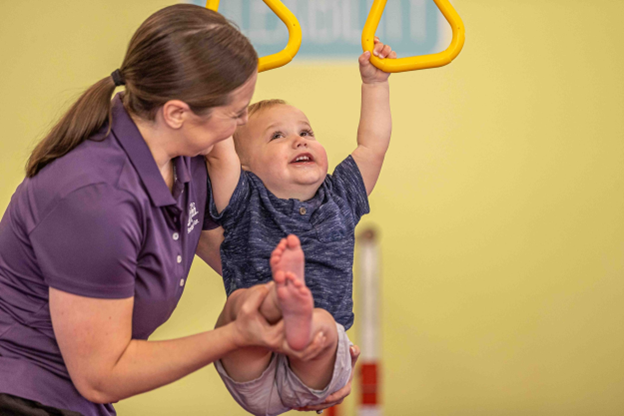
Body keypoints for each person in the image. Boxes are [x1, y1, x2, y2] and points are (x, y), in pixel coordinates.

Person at [0, 5, 356, 416]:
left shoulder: (188, 159)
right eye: (235, 112)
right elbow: (100, 376)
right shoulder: (95, 199)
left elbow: (239, 256)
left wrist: (320, 343)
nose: (243, 122)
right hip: (24, 394)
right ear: (176, 113)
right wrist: (236, 336)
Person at [204, 38, 395, 415]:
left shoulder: (340, 195)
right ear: (243, 163)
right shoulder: (242, 196)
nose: (298, 140)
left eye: (305, 133)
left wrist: (375, 85)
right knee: (243, 306)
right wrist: (222, 88)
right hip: (253, 361)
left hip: (314, 368)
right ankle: (281, 302)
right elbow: (220, 146)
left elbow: (372, 145)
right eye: (277, 136)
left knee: (323, 326)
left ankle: (296, 311)